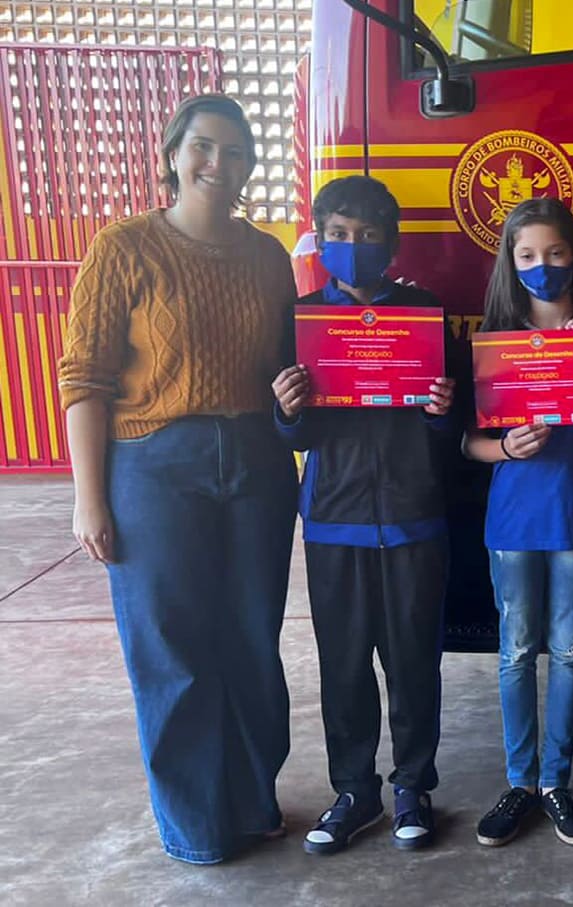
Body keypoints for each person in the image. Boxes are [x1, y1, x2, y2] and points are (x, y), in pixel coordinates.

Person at [57, 93, 298, 864]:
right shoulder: (123, 248)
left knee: (252, 638)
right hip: (154, 466)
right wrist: (88, 498)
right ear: (172, 153)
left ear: (250, 167)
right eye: (203, 146)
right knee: (172, 648)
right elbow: (84, 378)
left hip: (257, 463)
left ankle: (254, 801)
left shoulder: (268, 258)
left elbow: (285, 370)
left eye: (235, 152)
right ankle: (196, 826)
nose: (217, 165)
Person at [271, 175, 459, 854]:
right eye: (340, 236)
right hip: (333, 518)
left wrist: (441, 410)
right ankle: (355, 790)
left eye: (369, 235)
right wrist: (287, 409)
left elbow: (450, 428)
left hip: (414, 517)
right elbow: (294, 435)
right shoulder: (301, 322)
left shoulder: (424, 312)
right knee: (344, 664)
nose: (354, 248)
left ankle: (414, 784)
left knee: (413, 660)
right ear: (322, 241)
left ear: (391, 243)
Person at [465, 197, 573, 848]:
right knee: (515, 649)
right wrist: (505, 447)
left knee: (568, 649)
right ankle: (517, 780)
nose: (543, 267)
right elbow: (469, 444)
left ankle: (554, 783)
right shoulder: (498, 337)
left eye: (555, 253)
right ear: (512, 263)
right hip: (512, 518)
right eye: (528, 256)